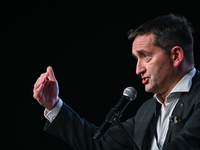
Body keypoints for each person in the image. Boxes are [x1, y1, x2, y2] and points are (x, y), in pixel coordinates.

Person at [33, 14, 200, 150]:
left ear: (176, 56)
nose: (138, 69)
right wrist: (53, 104)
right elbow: (98, 143)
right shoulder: (147, 110)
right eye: (136, 59)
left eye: (146, 56)